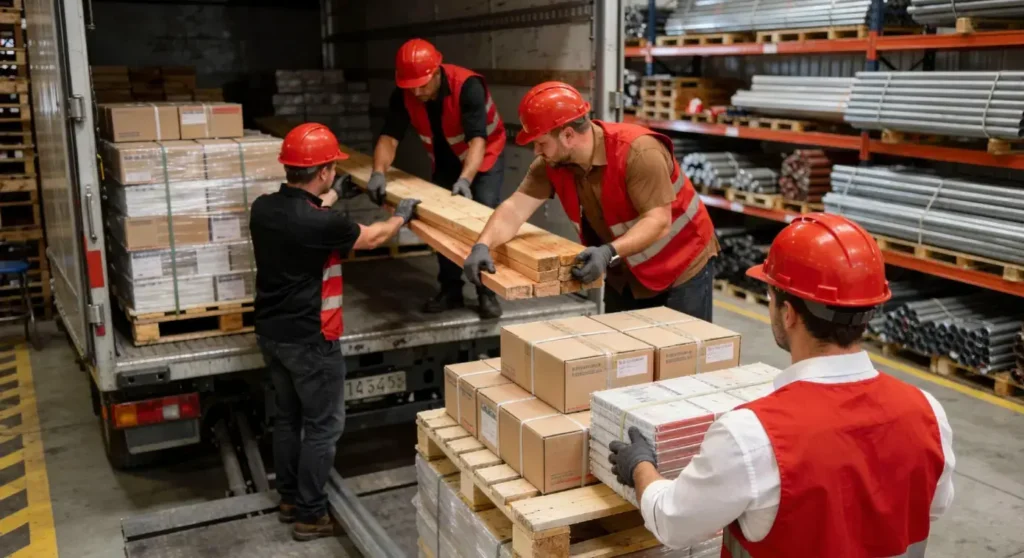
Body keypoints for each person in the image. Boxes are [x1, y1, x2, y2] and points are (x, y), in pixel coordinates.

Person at [608, 213, 956, 557]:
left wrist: (640, 468)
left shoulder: (752, 435)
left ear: (788, 313)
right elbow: (934, 507)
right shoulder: (928, 413)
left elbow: (673, 522)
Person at [250, 123, 420, 542]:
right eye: (331, 172)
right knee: (323, 428)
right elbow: (375, 237)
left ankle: (289, 498)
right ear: (324, 170)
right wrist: (402, 215)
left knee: (288, 420)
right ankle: (311, 514)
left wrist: (335, 194)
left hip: (271, 334)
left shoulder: (264, 207)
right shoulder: (322, 225)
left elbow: (308, 209)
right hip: (311, 340)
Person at [463, 82, 718, 321]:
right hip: (627, 271)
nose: (536, 151)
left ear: (568, 135)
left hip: (682, 264)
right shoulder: (552, 164)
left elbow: (659, 221)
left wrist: (608, 252)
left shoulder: (639, 152)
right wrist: (482, 246)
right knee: (626, 357)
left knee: (682, 361)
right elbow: (514, 209)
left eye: (541, 143)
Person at [367, 38, 507, 319]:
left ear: (437, 71)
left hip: (484, 158)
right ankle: (451, 290)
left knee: (482, 217)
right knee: (440, 223)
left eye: (422, 83)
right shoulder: (405, 93)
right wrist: (378, 172)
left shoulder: (468, 86)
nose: (416, 91)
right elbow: (389, 138)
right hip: (444, 162)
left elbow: (477, 141)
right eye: (411, 85)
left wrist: (466, 179)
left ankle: (485, 292)